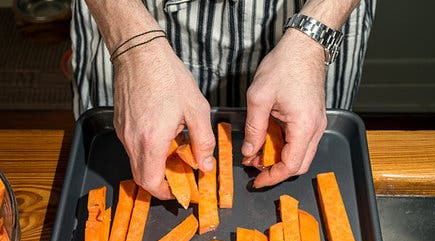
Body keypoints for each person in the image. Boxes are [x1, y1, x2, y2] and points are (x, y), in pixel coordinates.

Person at [72, 0, 375, 200]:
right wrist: (132, 47)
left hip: (319, 11)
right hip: (131, 13)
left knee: (303, 154)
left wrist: (314, 36)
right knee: (120, 160)